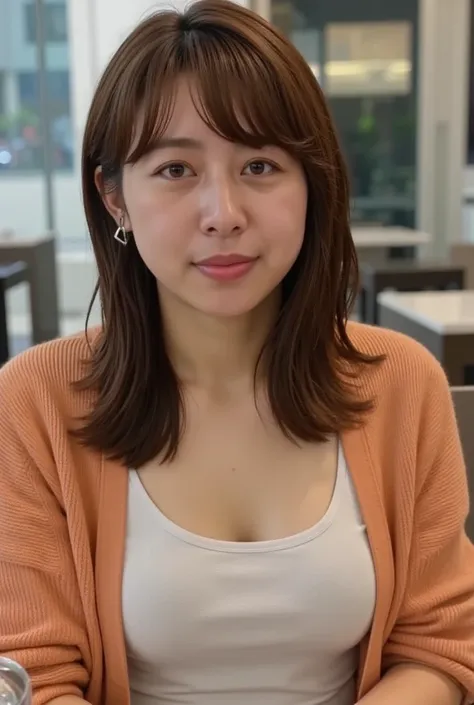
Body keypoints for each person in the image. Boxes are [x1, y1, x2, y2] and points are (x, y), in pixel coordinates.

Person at [0, 2, 473, 704]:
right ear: (113, 198)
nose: (223, 211)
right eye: (174, 170)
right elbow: (34, 671)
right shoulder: (36, 397)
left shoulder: (401, 381)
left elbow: (442, 641)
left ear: (312, 182)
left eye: (259, 164)